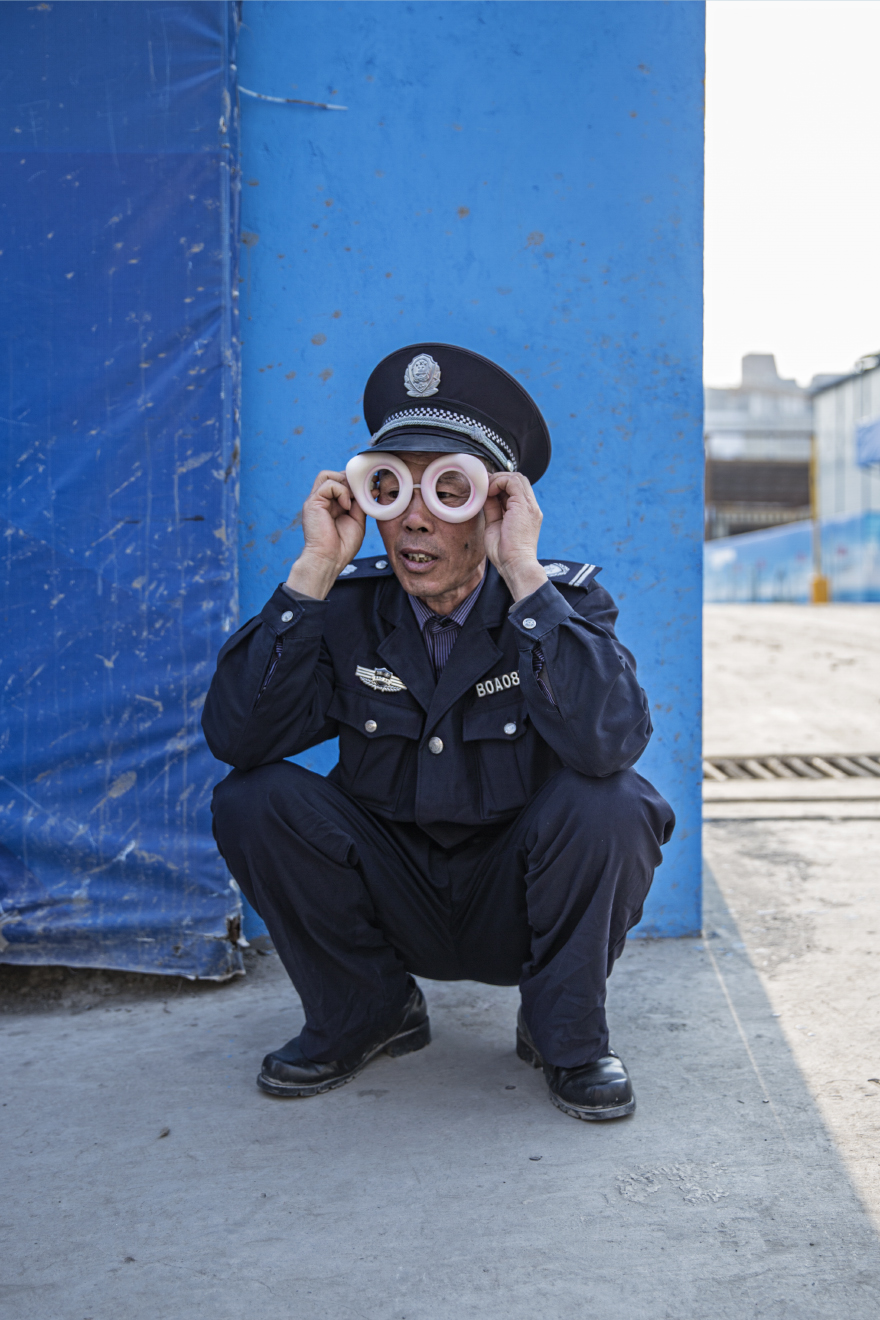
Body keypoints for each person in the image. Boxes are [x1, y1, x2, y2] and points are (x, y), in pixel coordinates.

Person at [202, 343, 674, 1121]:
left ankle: (565, 1034)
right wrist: (313, 571)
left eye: (447, 489)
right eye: (390, 487)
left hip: (512, 900)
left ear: (492, 504)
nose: (415, 515)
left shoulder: (564, 606)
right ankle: (366, 1011)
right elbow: (238, 736)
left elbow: (610, 744)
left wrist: (523, 576)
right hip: (393, 893)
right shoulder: (348, 609)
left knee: (614, 804)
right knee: (252, 797)